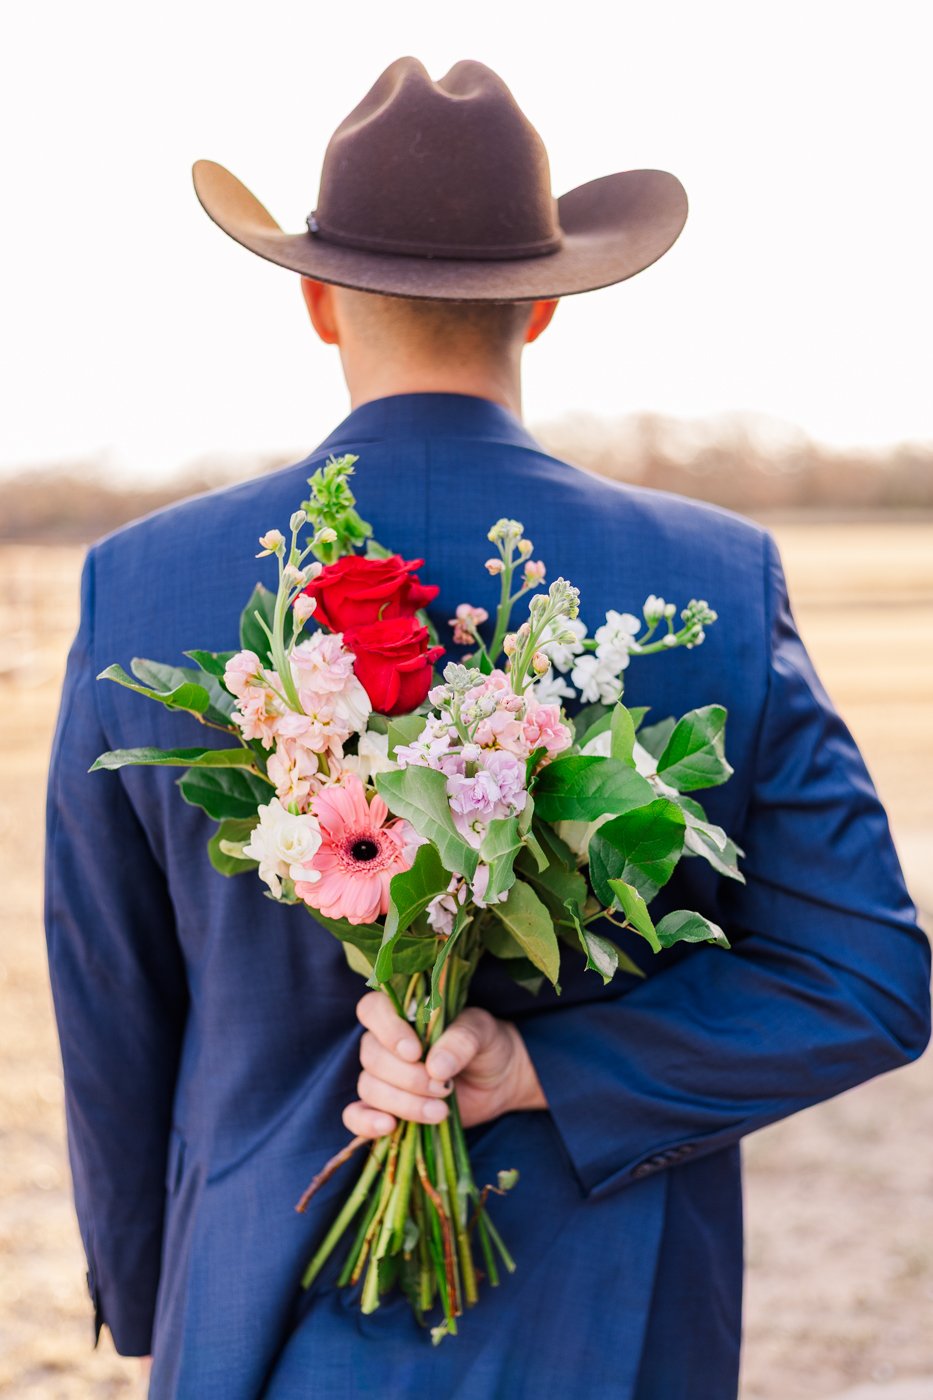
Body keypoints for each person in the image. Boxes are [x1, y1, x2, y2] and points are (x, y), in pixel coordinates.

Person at [44, 57, 931, 1400]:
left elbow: (108, 994)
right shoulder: (712, 577)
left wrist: (149, 1293)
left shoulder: (145, 584)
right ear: (544, 307)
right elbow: (862, 978)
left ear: (315, 303)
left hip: (252, 1315)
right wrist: (545, 1070)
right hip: (613, 1321)